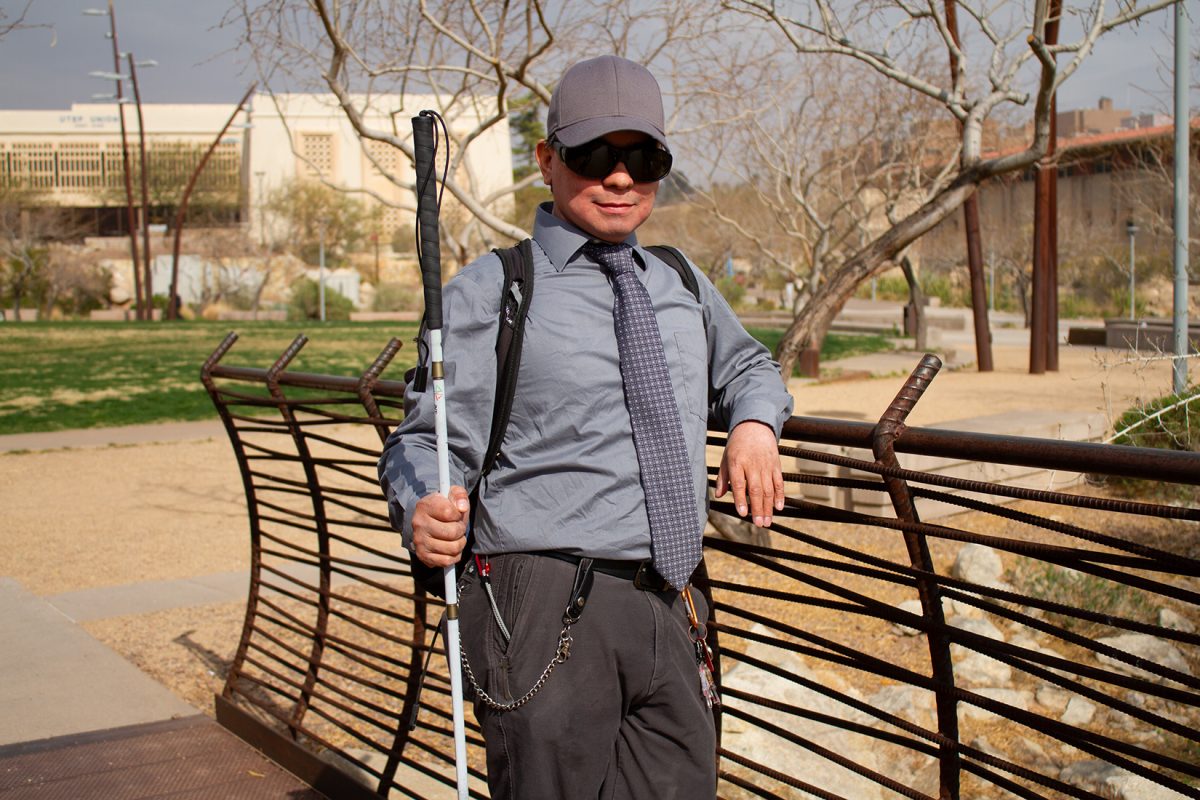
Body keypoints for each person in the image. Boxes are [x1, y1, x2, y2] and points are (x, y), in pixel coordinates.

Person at [379, 54, 794, 799]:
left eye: (644, 156)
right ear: (548, 160)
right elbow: (426, 439)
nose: (620, 177)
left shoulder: (680, 280)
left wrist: (754, 427)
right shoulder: (492, 291)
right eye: (594, 154)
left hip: (675, 599)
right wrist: (422, 504)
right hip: (542, 604)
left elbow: (749, 368)